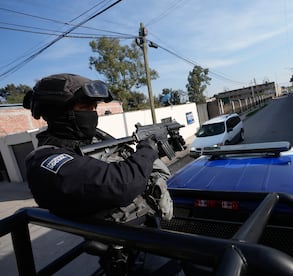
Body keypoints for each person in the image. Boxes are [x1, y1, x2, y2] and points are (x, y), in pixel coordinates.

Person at [23, 73, 177, 274]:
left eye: (94, 107)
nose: (92, 114)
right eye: (85, 107)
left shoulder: (90, 142)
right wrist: (147, 148)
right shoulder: (46, 161)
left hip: (147, 231)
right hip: (129, 252)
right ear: (58, 112)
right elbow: (122, 184)